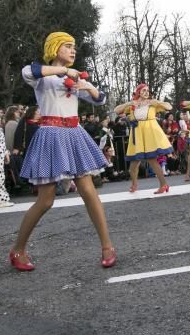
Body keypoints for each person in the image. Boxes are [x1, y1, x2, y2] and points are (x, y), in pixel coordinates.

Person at [9, 32, 115, 271]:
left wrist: (88, 86)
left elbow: (100, 100)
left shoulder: (75, 76)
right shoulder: (43, 77)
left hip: (74, 133)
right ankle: (18, 249)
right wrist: (65, 72)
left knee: (89, 191)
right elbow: (29, 71)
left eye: (74, 47)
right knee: (45, 201)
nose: (73, 50)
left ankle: (107, 247)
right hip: (51, 134)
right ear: (55, 48)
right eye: (68, 46)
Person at [113, 83, 173, 194]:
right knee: (133, 166)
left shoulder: (152, 104)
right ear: (138, 92)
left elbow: (169, 107)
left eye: (147, 90)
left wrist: (158, 102)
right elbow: (116, 110)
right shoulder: (133, 105)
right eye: (144, 90)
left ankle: (163, 184)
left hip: (149, 133)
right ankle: (134, 184)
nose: (146, 92)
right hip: (137, 135)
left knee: (152, 160)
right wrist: (129, 103)